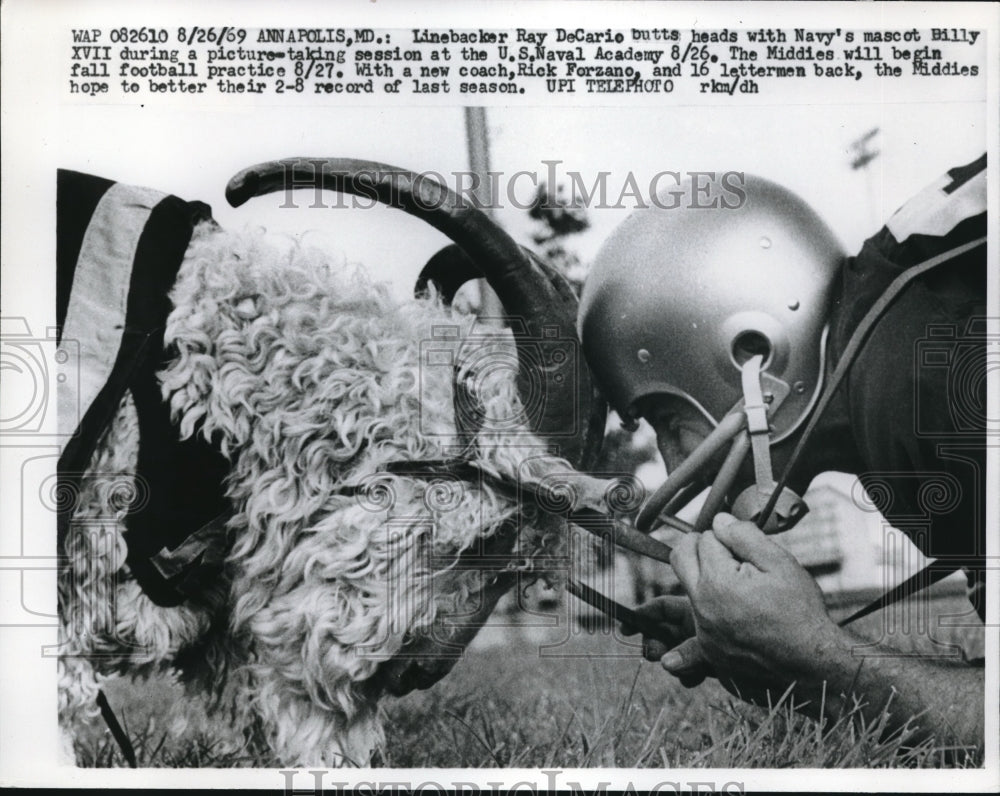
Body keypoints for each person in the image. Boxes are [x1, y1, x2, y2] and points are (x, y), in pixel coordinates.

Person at [577, 155, 987, 750]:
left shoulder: (929, 368)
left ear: (754, 354)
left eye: (668, 421)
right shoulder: (896, 340)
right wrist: (770, 647)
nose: (672, 466)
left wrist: (822, 664)